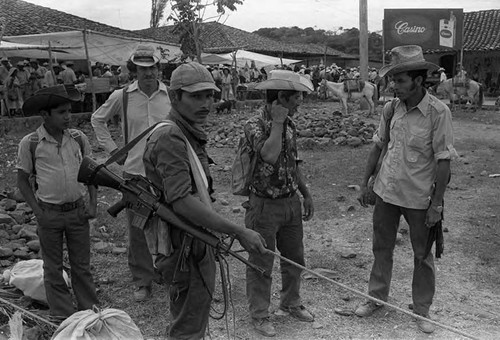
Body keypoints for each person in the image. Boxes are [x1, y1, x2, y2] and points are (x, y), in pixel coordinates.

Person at [142, 61, 267, 339]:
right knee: (189, 325)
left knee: (189, 317)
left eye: (209, 95)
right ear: (175, 97)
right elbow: (182, 202)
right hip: (184, 243)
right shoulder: (171, 136)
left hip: (192, 239)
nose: (206, 103)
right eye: (196, 96)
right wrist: (237, 230)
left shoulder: (185, 131)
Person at [356, 45, 458, 334]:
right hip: (386, 192)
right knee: (381, 248)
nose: (394, 86)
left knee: (422, 255)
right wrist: (366, 184)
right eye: (393, 80)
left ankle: (422, 309)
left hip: (418, 198)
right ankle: (376, 298)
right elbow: (378, 146)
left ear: (418, 80)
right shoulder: (390, 109)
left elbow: (443, 162)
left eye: (400, 81)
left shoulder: (439, 113)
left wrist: (436, 205)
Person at [91, 44, 171, 302]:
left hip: (167, 172)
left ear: (159, 69)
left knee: (171, 224)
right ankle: (142, 279)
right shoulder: (122, 96)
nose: (148, 73)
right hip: (135, 172)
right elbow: (97, 119)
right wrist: (114, 150)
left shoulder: (170, 95)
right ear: (134, 70)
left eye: (152, 68)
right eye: (142, 68)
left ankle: (166, 271)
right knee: (138, 229)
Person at [16, 84, 99, 323]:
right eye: (61, 112)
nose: (68, 117)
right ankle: (64, 315)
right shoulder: (30, 143)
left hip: (77, 212)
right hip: (49, 214)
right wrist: (38, 211)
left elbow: (91, 173)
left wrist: (92, 205)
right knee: (52, 268)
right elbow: (22, 181)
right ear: (45, 115)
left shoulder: (78, 139)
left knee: (81, 265)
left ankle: (89, 311)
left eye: (69, 111)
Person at [243, 70, 315, 337]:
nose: (300, 103)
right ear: (282, 97)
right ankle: (260, 314)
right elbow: (270, 156)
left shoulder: (291, 125)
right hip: (263, 206)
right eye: (297, 98)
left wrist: (305, 193)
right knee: (261, 261)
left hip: (290, 203)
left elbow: (291, 162)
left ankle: (291, 302)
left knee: (295, 258)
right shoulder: (254, 124)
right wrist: (276, 123)